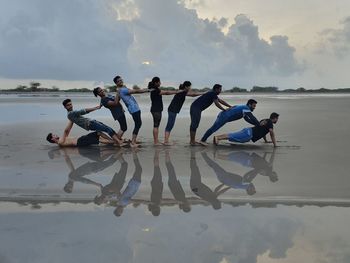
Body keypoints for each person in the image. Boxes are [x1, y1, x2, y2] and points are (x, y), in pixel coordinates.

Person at [113, 75, 152, 147]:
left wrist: (121, 106)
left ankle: (131, 140)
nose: (121, 81)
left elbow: (116, 101)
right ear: (116, 83)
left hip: (133, 109)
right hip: (134, 109)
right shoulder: (122, 90)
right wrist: (148, 90)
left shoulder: (119, 90)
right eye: (119, 81)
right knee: (138, 124)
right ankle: (133, 142)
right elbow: (136, 91)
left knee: (138, 124)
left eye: (121, 80)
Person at [148, 76, 185, 145]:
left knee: (156, 125)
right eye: (159, 82)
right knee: (156, 125)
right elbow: (166, 92)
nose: (160, 83)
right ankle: (156, 142)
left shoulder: (155, 89)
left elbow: (166, 92)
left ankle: (156, 141)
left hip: (156, 109)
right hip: (156, 109)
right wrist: (176, 92)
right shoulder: (155, 90)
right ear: (156, 82)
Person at [163, 81, 202, 145]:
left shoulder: (183, 92)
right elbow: (193, 94)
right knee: (170, 125)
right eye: (189, 86)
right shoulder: (182, 91)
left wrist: (202, 93)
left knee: (170, 125)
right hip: (172, 110)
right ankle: (166, 141)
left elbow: (193, 95)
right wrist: (203, 93)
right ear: (186, 87)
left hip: (173, 110)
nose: (190, 88)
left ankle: (166, 140)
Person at [213, 112, 279, 147]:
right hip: (249, 133)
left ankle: (218, 138)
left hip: (248, 131)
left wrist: (266, 141)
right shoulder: (270, 122)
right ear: (275, 118)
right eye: (277, 119)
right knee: (233, 136)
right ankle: (217, 137)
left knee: (234, 136)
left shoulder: (265, 120)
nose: (277, 120)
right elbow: (271, 133)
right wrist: (275, 145)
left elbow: (262, 132)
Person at [46, 131, 115, 147]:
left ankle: (113, 141)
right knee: (99, 140)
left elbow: (66, 133)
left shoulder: (61, 139)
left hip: (82, 138)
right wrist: (71, 120)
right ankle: (116, 142)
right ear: (52, 139)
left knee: (98, 133)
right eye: (53, 135)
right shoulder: (60, 142)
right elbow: (66, 131)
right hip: (80, 142)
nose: (55, 134)